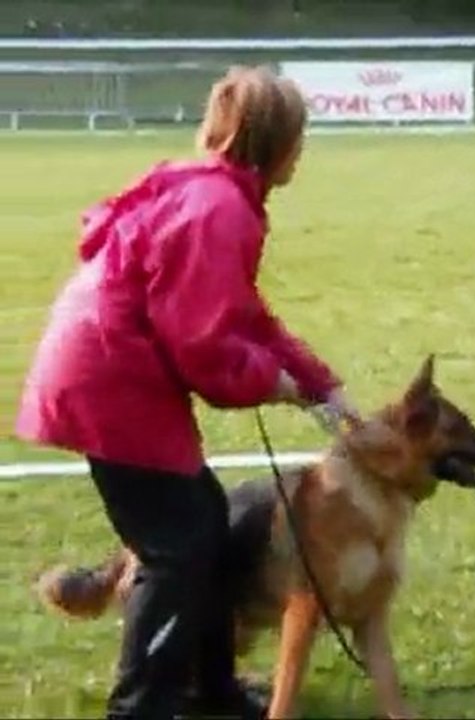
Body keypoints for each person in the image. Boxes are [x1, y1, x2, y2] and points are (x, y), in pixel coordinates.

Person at [16, 66, 359, 719]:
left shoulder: (214, 194)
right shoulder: (219, 211)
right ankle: (142, 707)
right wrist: (278, 384)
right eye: (300, 136)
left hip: (114, 371)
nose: (303, 150)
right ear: (277, 141)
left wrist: (322, 385)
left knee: (204, 521)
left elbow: (243, 314)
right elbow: (203, 346)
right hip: (113, 381)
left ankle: (208, 689)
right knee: (176, 549)